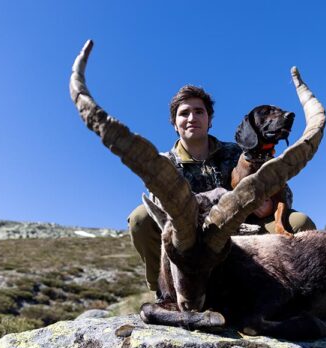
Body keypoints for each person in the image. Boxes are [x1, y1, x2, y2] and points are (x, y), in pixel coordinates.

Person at [128, 85, 315, 295]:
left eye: (199, 112)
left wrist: (269, 205)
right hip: (189, 239)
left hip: (242, 230)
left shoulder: (238, 152)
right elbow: (159, 203)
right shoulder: (164, 163)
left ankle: (305, 291)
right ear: (175, 124)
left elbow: (282, 189)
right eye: (184, 113)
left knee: (301, 223)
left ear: (209, 120)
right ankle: (163, 291)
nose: (192, 118)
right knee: (140, 219)